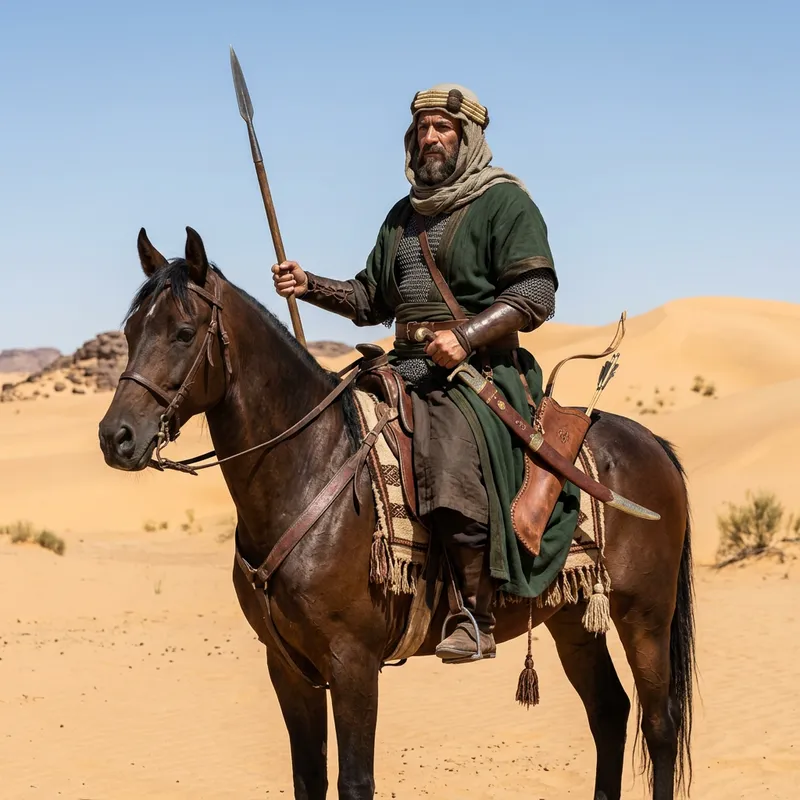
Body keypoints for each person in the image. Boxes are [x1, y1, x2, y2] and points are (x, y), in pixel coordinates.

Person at [272, 84, 579, 663]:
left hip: (481, 372)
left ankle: (474, 613)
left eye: (442, 127)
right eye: (421, 128)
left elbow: (536, 292)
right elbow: (370, 299)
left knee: (444, 452)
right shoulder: (403, 216)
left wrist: (465, 336)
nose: (429, 138)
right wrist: (309, 284)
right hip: (405, 366)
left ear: (468, 136)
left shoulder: (504, 203)